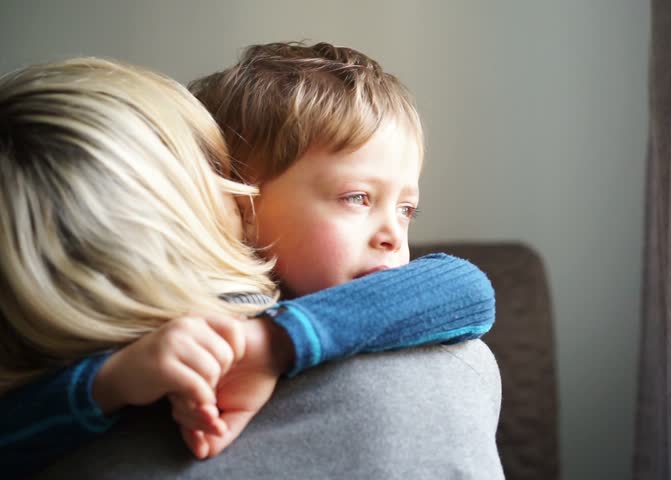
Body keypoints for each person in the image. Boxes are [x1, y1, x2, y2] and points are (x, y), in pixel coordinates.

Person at [0, 58, 496, 478]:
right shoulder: (171, 323)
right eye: (357, 198)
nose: (393, 234)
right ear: (236, 201)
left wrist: (270, 344)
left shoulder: (328, 307)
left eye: (407, 210)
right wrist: (108, 383)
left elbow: (468, 288)